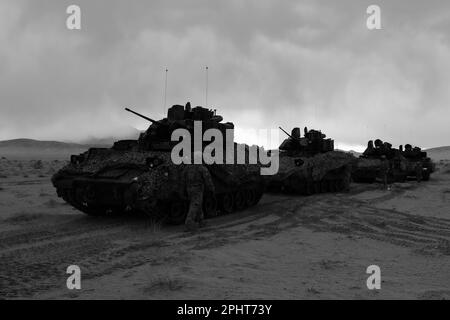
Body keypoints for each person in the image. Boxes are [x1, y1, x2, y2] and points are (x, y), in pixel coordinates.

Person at [184, 152, 215, 231]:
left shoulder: (187, 168)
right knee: (195, 204)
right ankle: (189, 223)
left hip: (189, 189)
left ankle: (201, 221)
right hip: (197, 189)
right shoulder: (201, 168)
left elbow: (182, 179)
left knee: (198, 204)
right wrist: (211, 189)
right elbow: (208, 180)